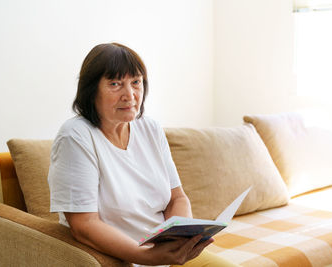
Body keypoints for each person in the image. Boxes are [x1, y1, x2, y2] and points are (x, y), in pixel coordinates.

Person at [48, 43, 238, 267]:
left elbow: (177, 198)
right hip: (126, 259)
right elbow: (84, 225)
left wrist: (183, 237)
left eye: (136, 82)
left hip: (166, 255)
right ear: (91, 90)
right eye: (115, 84)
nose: (129, 95)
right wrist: (146, 256)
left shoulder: (150, 128)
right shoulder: (75, 137)